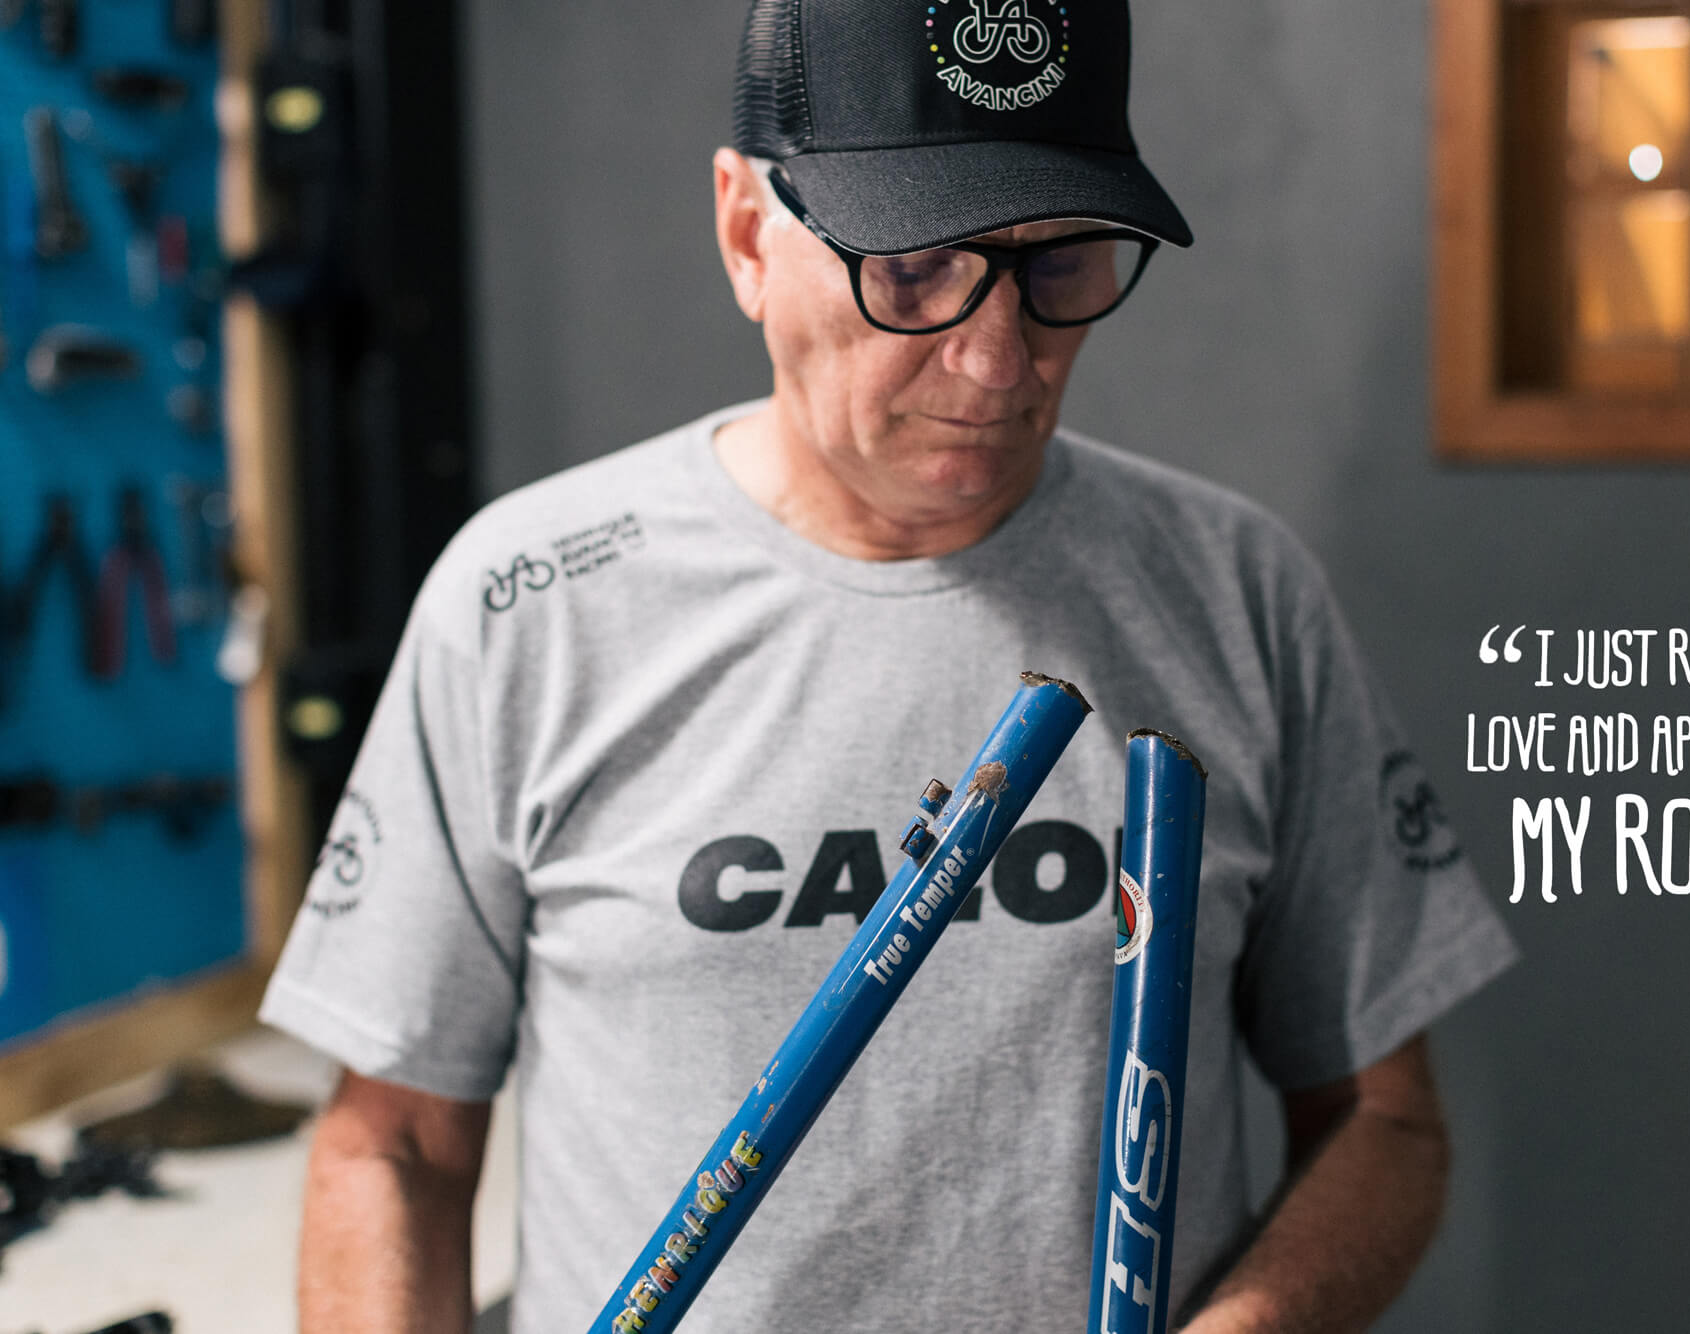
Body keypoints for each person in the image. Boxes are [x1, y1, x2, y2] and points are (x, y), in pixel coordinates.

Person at [260, 2, 1518, 1330]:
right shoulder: (531, 605)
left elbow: (1387, 1118)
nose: (996, 358)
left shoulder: (1237, 595)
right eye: (914, 267)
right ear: (748, 231)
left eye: (1063, 263)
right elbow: (389, 1140)